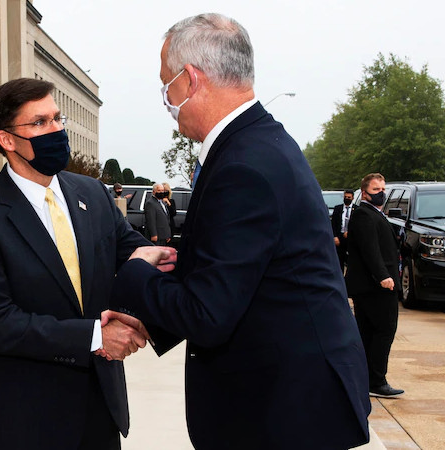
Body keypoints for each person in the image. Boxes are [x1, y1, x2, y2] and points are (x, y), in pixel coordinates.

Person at [109, 14, 370, 449]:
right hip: (288, 399)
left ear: (190, 80)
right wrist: (179, 272)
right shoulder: (256, 143)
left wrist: (136, 273)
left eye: (165, 84)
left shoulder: (244, 164)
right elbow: (242, 274)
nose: (164, 98)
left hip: (283, 415)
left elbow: (209, 316)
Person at [0, 78, 153, 450]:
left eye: (57, 119)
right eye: (40, 123)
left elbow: (134, 255)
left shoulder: (92, 193)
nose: (57, 129)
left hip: (99, 411)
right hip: (26, 420)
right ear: (7, 140)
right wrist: (95, 336)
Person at [346, 173, 404, 399]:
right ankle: (377, 380)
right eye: (376, 190)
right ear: (365, 192)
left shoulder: (372, 214)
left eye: (383, 189)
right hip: (376, 286)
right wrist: (382, 276)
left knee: (371, 332)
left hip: (375, 285)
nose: (381, 193)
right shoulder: (364, 216)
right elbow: (370, 250)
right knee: (384, 330)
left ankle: (369, 379)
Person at [332, 189, 357, 273]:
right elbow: (333, 224)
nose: (347, 198)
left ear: (352, 198)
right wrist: (335, 236)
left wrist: (350, 232)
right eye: (345, 197)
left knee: (351, 260)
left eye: (349, 197)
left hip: (351, 238)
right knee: (339, 260)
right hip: (339, 238)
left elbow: (358, 225)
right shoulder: (338, 208)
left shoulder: (357, 209)